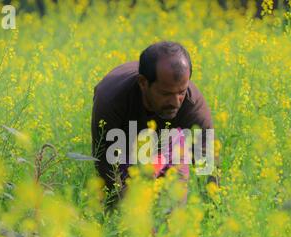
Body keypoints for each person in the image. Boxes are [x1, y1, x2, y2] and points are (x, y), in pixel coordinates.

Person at [91, 41, 216, 206]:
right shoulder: (111, 99)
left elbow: (206, 167)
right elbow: (105, 160)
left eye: (181, 92)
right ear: (143, 83)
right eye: (166, 93)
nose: (175, 102)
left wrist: (215, 216)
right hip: (124, 142)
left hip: (169, 140)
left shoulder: (193, 106)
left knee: (173, 206)